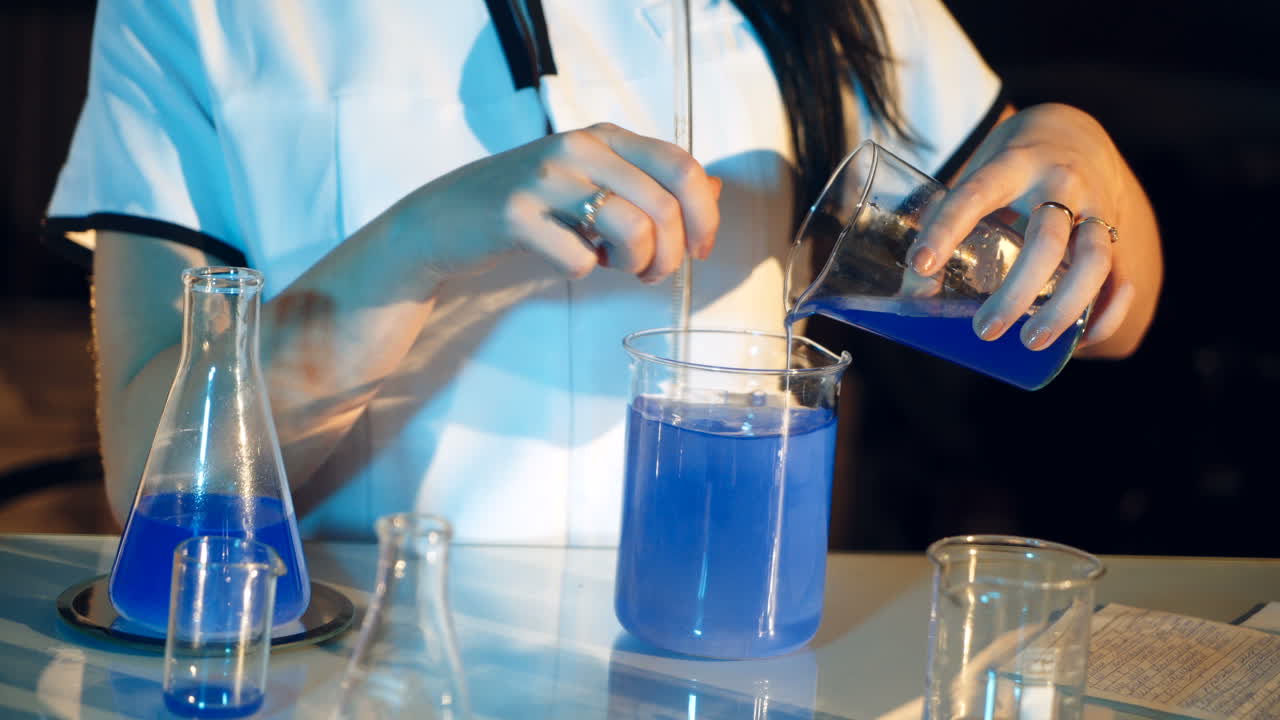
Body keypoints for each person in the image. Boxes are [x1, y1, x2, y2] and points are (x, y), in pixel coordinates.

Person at [45, 0, 1162, 544]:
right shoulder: (193, 12)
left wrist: (1087, 157)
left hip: (735, 653)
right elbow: (154, 478)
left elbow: (1105, 320)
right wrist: (424, 243)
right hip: (365, 667)